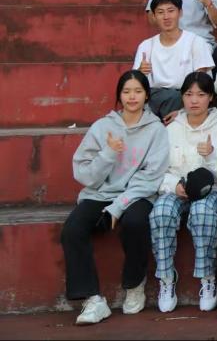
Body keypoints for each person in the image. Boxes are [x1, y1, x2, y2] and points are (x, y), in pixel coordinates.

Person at [61, 70, 169, 325]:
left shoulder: (156, 130)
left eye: (138, 91)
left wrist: (118, 207)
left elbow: (151, 177)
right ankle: (93, 299)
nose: (132, 97)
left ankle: (134, 284)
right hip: (100, 192)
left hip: (137, 194)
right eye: (126, 91)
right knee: (72, 229)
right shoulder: (102, 127)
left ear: (147, 95)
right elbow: (84, 174)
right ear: (119, 96)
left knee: (135, 222)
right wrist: (109, 153)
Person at [149, 72, 217, 313]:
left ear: (211, 97)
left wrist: (212, 155)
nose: (194, 100)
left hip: (213, 190)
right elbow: (157, 169)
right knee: (161, 210)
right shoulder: (171, 128)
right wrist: (173, 185)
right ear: (181, 97)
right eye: (188, 94)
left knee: (202, 211)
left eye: (201, 94)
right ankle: (166, 278)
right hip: (177, 188)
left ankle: (207, 278)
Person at [134, 0, 215, 118]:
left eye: (171, 11)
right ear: (154, 16)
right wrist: (140, 72)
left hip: (185, 100)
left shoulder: (196, 42)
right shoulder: (146, 46)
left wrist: (182, 112)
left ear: (180, 13)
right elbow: (135, 84)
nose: (166, 17)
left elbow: (202, 83)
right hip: (154, 100)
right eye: (160, 12)